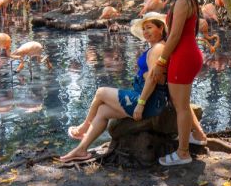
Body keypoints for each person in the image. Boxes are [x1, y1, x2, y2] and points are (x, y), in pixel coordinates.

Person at [62, 12, 170, 162]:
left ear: (161, 28)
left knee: (101, 92)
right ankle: (81, 149)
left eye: (150, 27)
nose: (146, 32)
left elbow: (153, 78)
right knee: (102, 111)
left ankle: (83, 128)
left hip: (149, 102)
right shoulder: (155, 48)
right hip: (147, 98)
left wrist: (140, 104)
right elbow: (152, 76)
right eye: (144, 28)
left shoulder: (158, 48)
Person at [151, 0, 209, 166]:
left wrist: (161, 62)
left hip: (183, 56)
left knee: (181, 107)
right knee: (182, 103)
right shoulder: (188, 0)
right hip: (188, 54)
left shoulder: (183, 2)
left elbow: (174, 36)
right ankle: (199, 136)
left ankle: (183, 152)